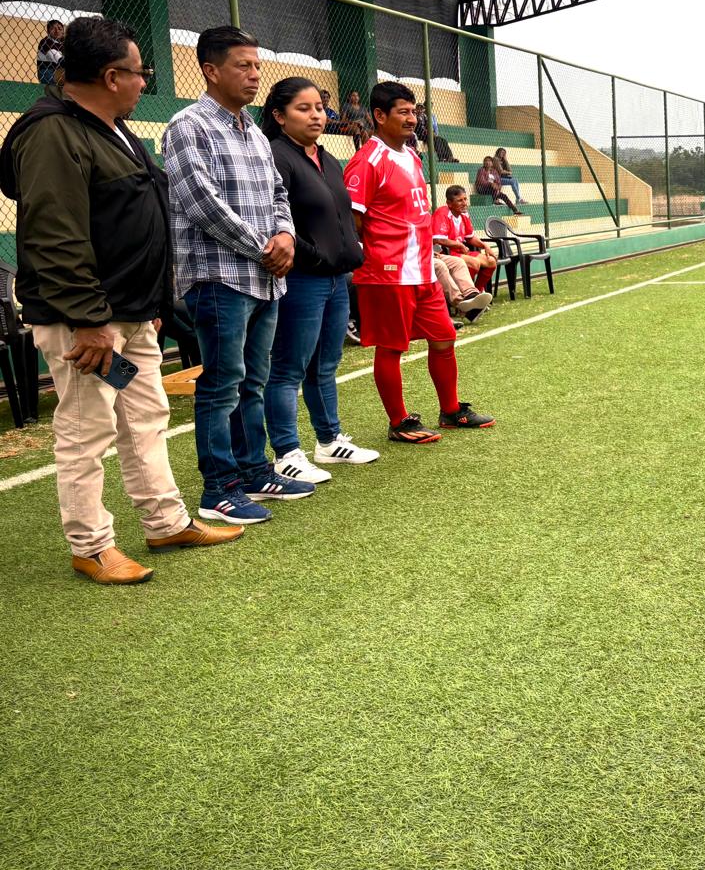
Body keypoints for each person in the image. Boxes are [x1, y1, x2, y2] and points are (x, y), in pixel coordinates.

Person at [0, 16, 243, 584]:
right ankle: (90, 546)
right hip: (86, 322)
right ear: (112, 77)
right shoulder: (53, 133)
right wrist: (88, 321)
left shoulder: (113, 129)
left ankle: (165, 522)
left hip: (129, 314)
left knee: (145, 419)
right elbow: (56, 235)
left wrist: (151, 302)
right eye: (140, 73)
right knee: (87, 431)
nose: (144, 82)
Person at [165, 26, 314, 525]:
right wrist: (265, 248)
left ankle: (254, 470)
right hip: (220, 279)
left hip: (264, 277)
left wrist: (286, 235)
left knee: (253, 380)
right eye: (242, 65)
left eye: (256, 66)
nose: (254, 75)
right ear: (211, 70)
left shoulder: (252, 130)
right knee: (221, 383)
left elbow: (278, 194)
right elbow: (201, 204)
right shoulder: (188, 127)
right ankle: (219, 488)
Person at [344, 81, 495, 442]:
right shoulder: (367, 161)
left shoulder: (412, 155)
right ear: (380, 116)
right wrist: (383, 251)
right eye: (404, 112)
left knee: (443, 337)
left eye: (414, 112)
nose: (412, 119)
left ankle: (451, 411)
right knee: (392, 347)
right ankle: (399, 422)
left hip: (424, 269)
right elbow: (353, 220)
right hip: (389, 273)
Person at [260, 77, 380, 483]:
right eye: (303, 108)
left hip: (336, 278)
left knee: (325, 364)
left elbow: (340, 217)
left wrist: (347, 256)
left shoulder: (328, 158)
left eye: (319, 108)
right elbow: (277, 220)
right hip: (302, 280)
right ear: (279, 116)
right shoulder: (276, 156)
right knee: (288, 368)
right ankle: (286, 452)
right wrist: (314, 255)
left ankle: (329, 441)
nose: (316, 115)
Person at [433, 185, 498, 295]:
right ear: (449, 203)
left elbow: (470, 237)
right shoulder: (442, 213)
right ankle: (465, 293)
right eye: (459, 200)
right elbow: (439, 239)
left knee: (491, 261)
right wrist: (459, 245)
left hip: (460, 252)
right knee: (474, 263)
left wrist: (484, 245)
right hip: (445, 253)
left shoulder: (464, 214)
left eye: (465, 199)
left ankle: (478, 291)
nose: (464, 203)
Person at [35, 18, 64, 86]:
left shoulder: (64, 42)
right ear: (48, 32)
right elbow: (52, 54)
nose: (57, 31)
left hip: (59, 71)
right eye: (53, 29)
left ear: (63, 32)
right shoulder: (45, 42)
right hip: (47, 72)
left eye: (59, 29)